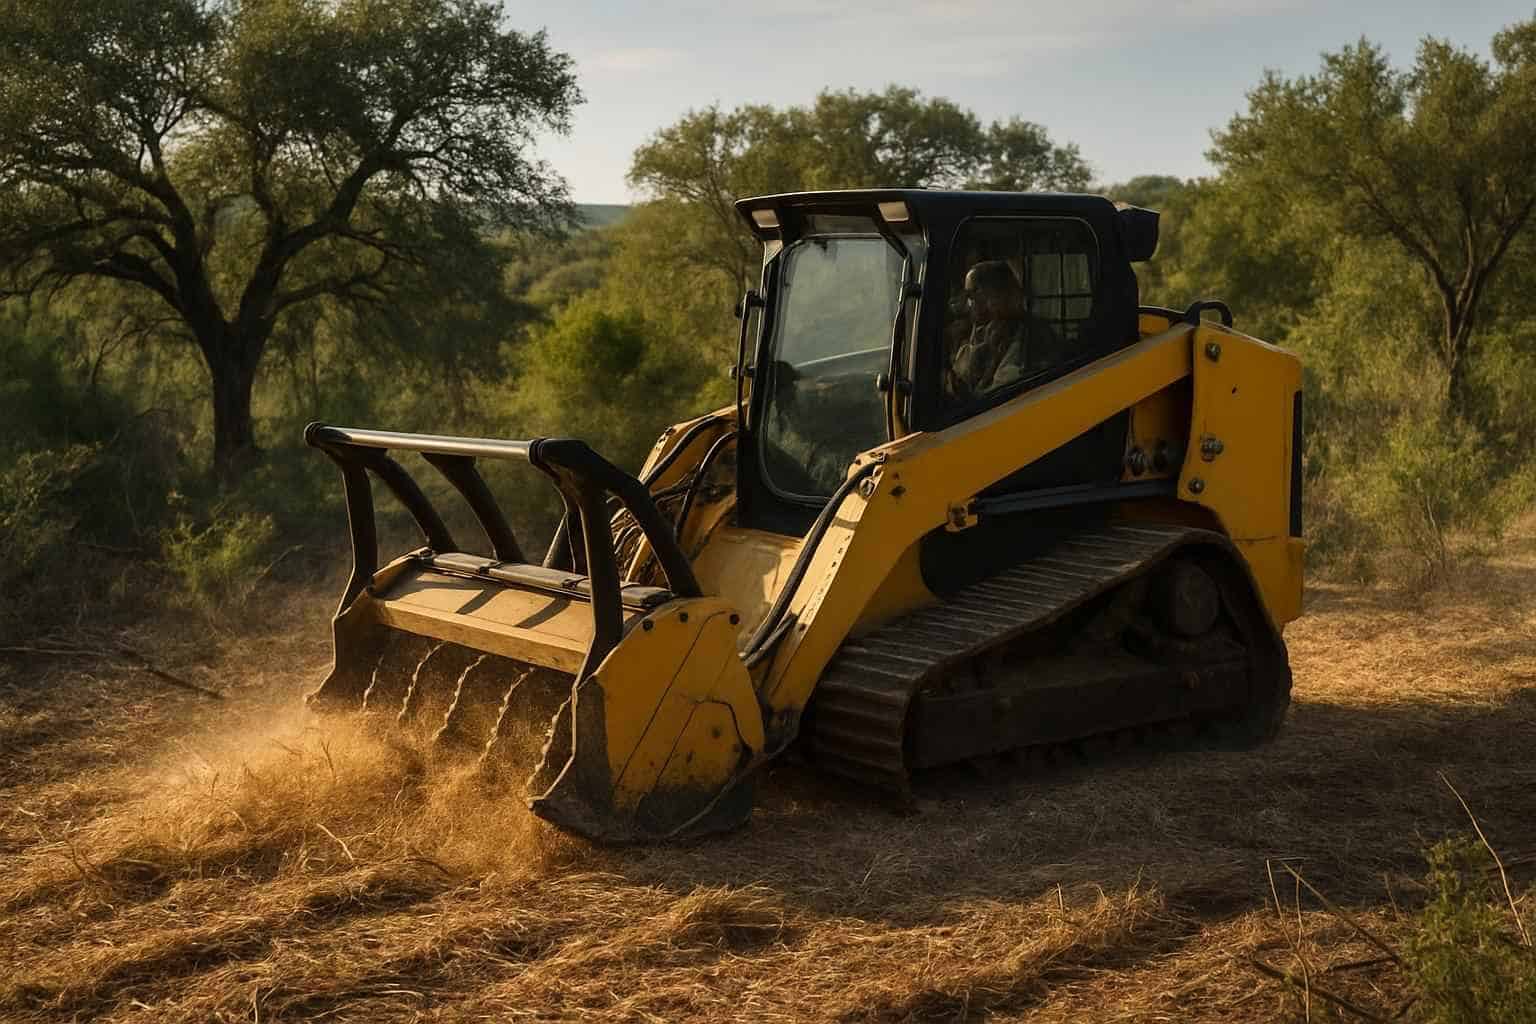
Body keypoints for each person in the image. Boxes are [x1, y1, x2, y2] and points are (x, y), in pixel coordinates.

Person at [946, 260, 1068, 403]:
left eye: (975, 294)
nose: (969, 303)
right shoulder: (981, 330)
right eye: (968, 296)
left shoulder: (1028, 334)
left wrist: (967, 395)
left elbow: (1006, 391)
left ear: (996, 294)